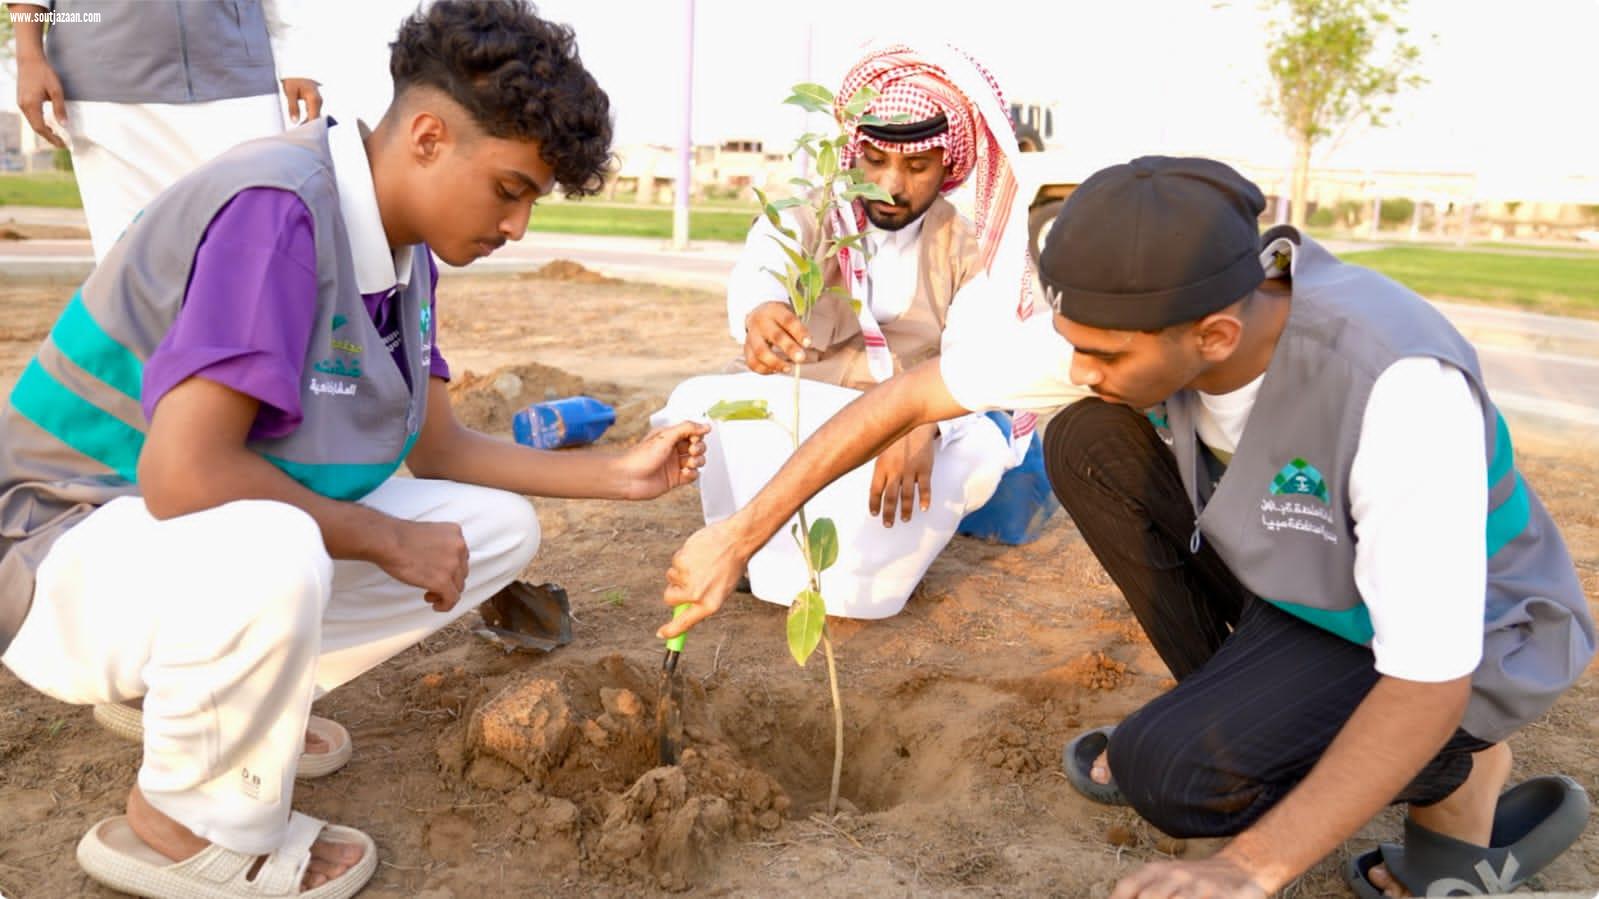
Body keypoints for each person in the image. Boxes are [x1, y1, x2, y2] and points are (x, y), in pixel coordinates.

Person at [657, 156, 1594, 898]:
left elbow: (1426, 677)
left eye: (1100, 353)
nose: (1075, 362)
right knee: (1088, 438)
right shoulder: (1140, 317)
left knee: (1176, 777)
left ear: (1214, 337)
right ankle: (1244, 710)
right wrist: (737, 535)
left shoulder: (1394, 390)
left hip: (1465, 640)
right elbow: (907, 396)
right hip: (1314, 583)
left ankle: (1460, 784)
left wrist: (1244, 868)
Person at [0, 2, 707, 897]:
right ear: (426, 136)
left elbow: (438, 445)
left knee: (490, 530)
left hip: (156, 547)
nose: (518, 226)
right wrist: (380, 538)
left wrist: (617, 471)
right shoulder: (279, 210)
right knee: (283, 543)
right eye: (511, 188)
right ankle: (185, 825)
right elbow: (186, 475)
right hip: (58, 547)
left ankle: (217, 703)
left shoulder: (403, 248)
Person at [652, 42, 1036, 619]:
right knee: (701, 403)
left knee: (980, 445)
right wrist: (762, 310)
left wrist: (926, 423)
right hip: (804, 412)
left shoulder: (967, 248)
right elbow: (763, 262)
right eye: (875, 161)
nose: (890, 184)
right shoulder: (811, 213)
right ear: (853, 153)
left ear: (948, 166)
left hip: (899, 428)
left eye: (915, 166)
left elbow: (973, 357)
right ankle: (754, 558)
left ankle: (871, 584)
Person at [9, 0, 325, 261]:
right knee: (131, 261)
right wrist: (28, 56)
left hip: (238, 78)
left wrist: (297, 60)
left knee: (252, 249)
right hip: (105, 87)